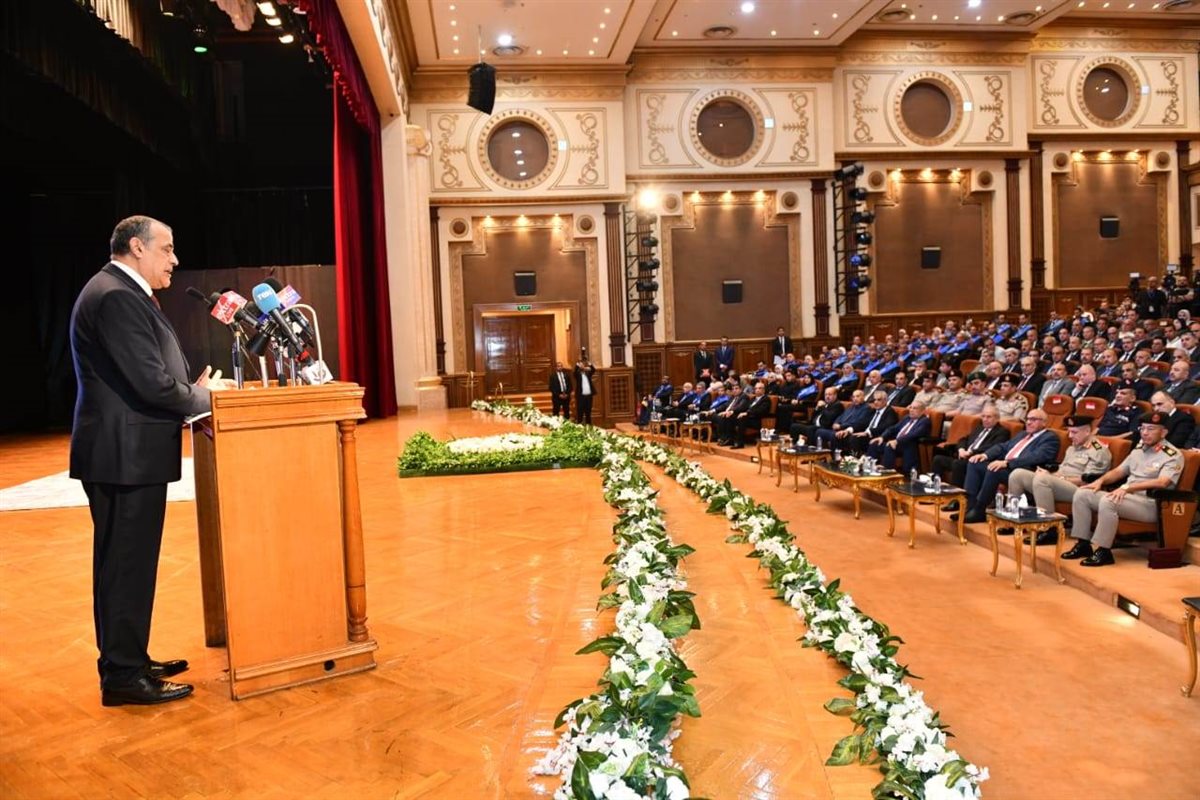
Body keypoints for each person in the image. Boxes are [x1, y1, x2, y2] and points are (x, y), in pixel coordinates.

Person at [70, 215, 232, 707]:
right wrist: (204, 397)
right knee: (125, 566)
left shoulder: (120, 290)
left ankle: (129, 659)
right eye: (167, 249)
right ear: (137, 248)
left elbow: (148, 375)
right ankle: (123, 676)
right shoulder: (115, 296)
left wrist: (190, 390)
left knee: (126, 565)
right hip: (124, 456)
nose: (174, 260)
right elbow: (150, 383)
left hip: (128, 453)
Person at [1066, 412, 1184, 566]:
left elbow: (1163, 482)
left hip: (1150, 504)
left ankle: (1103, 551)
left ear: (1163, 432)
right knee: (1082, 494)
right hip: (1127, 498)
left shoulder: (1172, 455)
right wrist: (1100, 481)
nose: (1145, 433)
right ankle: (1083, 544)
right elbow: (1119, 471)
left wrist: (1128, 488)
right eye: (1142, 428)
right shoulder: (1139, 449)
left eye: (1151, 429)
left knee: (1109, 501)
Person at [1006, 416, 1113, 544]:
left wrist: (1055, 478)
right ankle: (1014, 520)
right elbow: (1062, 469)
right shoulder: (1073, 447)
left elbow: (1088, 480)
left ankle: (1048, 529)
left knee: (1043, 480)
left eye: (1074, 432)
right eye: (1069, 431)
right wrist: (1049, 473)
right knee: (1017, 474)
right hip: (1060, 483)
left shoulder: (1098, 450)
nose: (1070, 436)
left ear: (1087, 431)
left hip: (1080, 490)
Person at [957, 410, 1059, 523]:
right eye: (1028, 419)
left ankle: (980, 510)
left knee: (995, 470)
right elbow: (1003, 447)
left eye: (1033, 420)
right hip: (1006, 467)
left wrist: (1007, 463)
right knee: (975, 462)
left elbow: (1036, 457)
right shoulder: (1022, 434)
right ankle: (969, 506)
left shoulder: (1050, 438)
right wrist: (985, 455)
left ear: (1044, 422)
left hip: (1022, 472)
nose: (1029, 422)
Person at [932, 404, 1010, 490]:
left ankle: (956, 493)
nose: (985, 419)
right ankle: (935, 487)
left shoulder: (1002, 432)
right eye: (983, 416)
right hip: (963, 457)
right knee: (938, 459)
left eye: (989, 417)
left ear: (997, 418)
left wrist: (971, 452)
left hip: (977, 461)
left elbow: (992, 447)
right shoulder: (979, 428)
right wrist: (961, 449)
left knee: (958, 464)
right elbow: (964, 439)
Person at [867, 399, 930, 473]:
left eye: (915, 408)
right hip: (896, 443)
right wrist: (882, 437)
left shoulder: (924, 421)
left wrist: (897, 441)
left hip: (907, 446)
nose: (911, 410)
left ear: (922, 411)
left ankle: (887, 472)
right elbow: (893, 428)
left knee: (890, 446)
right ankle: (869, 468)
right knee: (875, 443)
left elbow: (914, 434)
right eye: (911, 407)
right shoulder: (907, 418)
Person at [574, 357, 597, 424]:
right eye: (581, 365)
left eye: (583, 364)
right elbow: (575, 372)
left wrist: (589, 363)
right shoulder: (577, 375)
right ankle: (579, 425)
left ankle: (589, 426)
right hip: (581, 396)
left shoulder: (588, 373)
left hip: (588, 396)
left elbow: (593, 370)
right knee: (580, 412)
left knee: (588, 412)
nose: (582, 366)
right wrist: (578, 364)